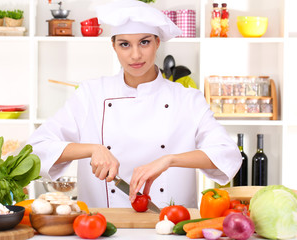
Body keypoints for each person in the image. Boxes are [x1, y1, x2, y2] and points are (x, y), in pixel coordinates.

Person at [27, 0, 242, 209]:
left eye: (145, 42)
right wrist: (92, 149)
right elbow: (36, 149)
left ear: (158, 43)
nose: (136, 55)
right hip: (101, 225)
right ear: (113, 46)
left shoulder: (187, 99)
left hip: (172, 224)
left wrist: (169, 160)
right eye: (124, 45)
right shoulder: (91, 94)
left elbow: (228, 154)